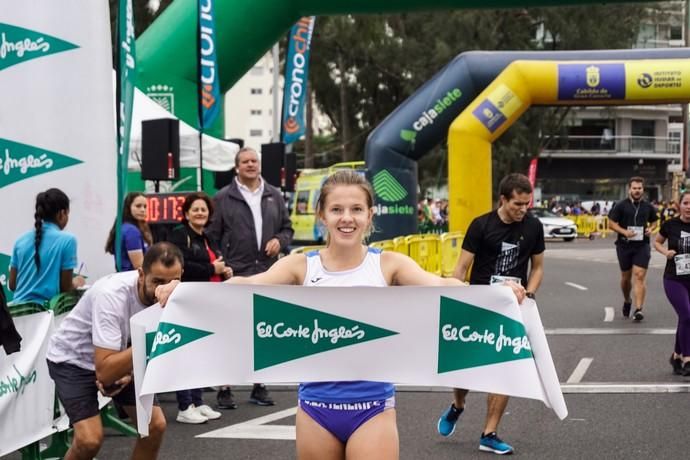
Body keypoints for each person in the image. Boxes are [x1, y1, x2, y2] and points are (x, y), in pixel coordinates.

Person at [156, 170, 526, 459]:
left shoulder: (389, 264)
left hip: (373, 407)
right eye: (336, 209)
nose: (346, 218)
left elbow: (445, 285)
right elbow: (250, 284)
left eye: (356, 210)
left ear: (369, 216)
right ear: (322, 215)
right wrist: (185, 290)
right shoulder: (301, 265)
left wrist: (496, 294)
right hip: (315, 407)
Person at [437, 173, 545, 455]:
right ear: (503, 200)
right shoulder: (481, 225)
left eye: (526, 204)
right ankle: (458, 405)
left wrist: (529, 295)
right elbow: (461, 269)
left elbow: (538, 267)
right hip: (478, 304)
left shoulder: (533, 227)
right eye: (517, 204)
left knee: (505, 369)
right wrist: (455, 301)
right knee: (466, 371)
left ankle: (489, 433)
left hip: (512, 307)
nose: (523, 210)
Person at [45, 243, 182, 460]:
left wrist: (132, 370)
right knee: (89, 441)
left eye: (171, 282)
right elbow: (106, 372)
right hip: (73, 359)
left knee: (154, 427)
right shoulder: (111, 295)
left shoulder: (177, 294)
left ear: (180, 277)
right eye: (156, 281)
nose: (162, 290)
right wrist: (147, 345)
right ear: (141, 274)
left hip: (120, 354)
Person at [206, 146, 294, 408]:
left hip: (267, 272)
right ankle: (225, 388)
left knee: (263, 331)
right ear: (237, 167)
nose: (251, 165)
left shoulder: (274, 195)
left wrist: (280, 240)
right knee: (230, 330)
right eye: (245, 161)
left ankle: (259, 385)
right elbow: (211, 235)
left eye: (254, 161)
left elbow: (287, 228)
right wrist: (222, 261)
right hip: (236, 272)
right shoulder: (223, 198)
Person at [167, 192, 228, 423]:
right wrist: (213, 269)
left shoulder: (208, 237)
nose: (200, 213)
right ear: (186, 213)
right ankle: (185, 405)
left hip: (208, 301)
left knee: (201, 353)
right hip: (188, 300)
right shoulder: (179, 235)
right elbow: (182, 266)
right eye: (196, 209)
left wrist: (224, 271)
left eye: (204, 209)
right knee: (186, 352)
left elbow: (218, 262)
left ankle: (199, 401)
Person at [9, 188, 84, 305]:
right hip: (46, 317)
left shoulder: (19, 241)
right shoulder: (68, 240)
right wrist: (77, 282)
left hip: (17, 314)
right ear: (62, 213)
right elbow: (65, 288)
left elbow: (12, 285)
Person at [608, 177, 659, 321]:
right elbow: (611, 224)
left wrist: (651, 229)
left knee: (640, 275)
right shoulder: (620, 205)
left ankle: (638, 309)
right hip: (624, 245)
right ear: (629, 189)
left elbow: (654, 221)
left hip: (642, 245)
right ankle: (627, 300)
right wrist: (624, 232)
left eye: (640, 188)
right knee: (626, 278)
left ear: (643, 190)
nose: (637, 191)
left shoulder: (648, 206)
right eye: (634, 188)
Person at [654, 191, 690, 376]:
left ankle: (676, 356)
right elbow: (657, 242)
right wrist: (665, 252)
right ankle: (687, 358)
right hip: (674, 278)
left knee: (685, 318)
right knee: (687, 315)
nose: (689, 206)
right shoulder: (670, 224)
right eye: (685, 203)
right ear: (679, 205)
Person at [105, 192, 153, 271]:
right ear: (128, 208)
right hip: (132, 280)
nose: (142, 210)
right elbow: (139, 266)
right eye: (138, 206)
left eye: (145, 206)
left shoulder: (126, 228)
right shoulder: (131, 231)